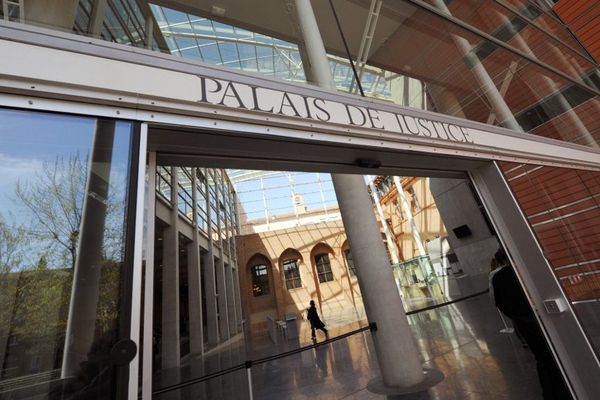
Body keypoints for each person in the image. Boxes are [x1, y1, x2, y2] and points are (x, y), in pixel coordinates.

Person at [490, 248, 572, 400]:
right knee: (557, 356)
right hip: (541, 319)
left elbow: (500, 303)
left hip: (525, 322)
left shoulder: (499, 277)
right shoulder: (529, 270)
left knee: (542, 359)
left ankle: (551, 393)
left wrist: (519, 316)